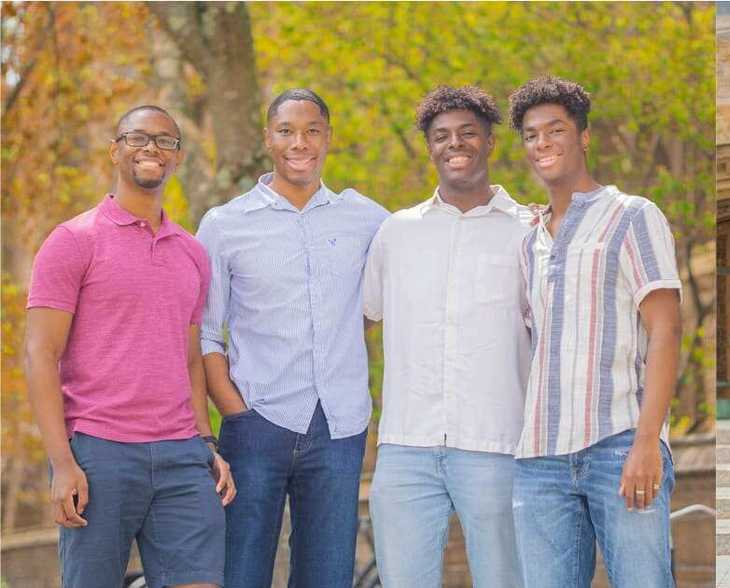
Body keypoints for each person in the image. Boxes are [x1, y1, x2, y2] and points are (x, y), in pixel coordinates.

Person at [25, 105, 234, 588]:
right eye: (138, 138)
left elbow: (189, 358)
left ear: (177, 157)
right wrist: (61, 463)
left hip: (182, 454)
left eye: (165, 141)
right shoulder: (73, 241)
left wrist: (206, 443)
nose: (152, 149)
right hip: (100, 452)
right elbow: (41, 355)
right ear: (115, 150)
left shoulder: (191, 252)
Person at [197, 89, 389, 587]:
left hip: (339, 427)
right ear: (268, 138)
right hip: (256, 422)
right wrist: (235, 412)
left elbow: (387, 296)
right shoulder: (223, 225)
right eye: (286, 131)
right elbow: (204, 333)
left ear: (328, 138)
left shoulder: (368, 220)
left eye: (311, 131)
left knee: (327, 576)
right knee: (240, 573)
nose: (299, 142)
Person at [509, 76, 682, 587]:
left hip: (619, 444)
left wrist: (648, 442)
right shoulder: (530, 241)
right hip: (538, 457)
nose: (542, 143)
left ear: (584, 137)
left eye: (555, 130)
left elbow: (666, 331)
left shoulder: (631, 216)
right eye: (531, 135)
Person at [361, 86, 529, 587]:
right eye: (441, 136)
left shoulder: (530, 231)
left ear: (490, 142)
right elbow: (361, 320)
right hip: (405, 446)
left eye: (467, 133)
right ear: (430, 147)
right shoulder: (396, 233)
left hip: (498, 443)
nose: (454, 144)